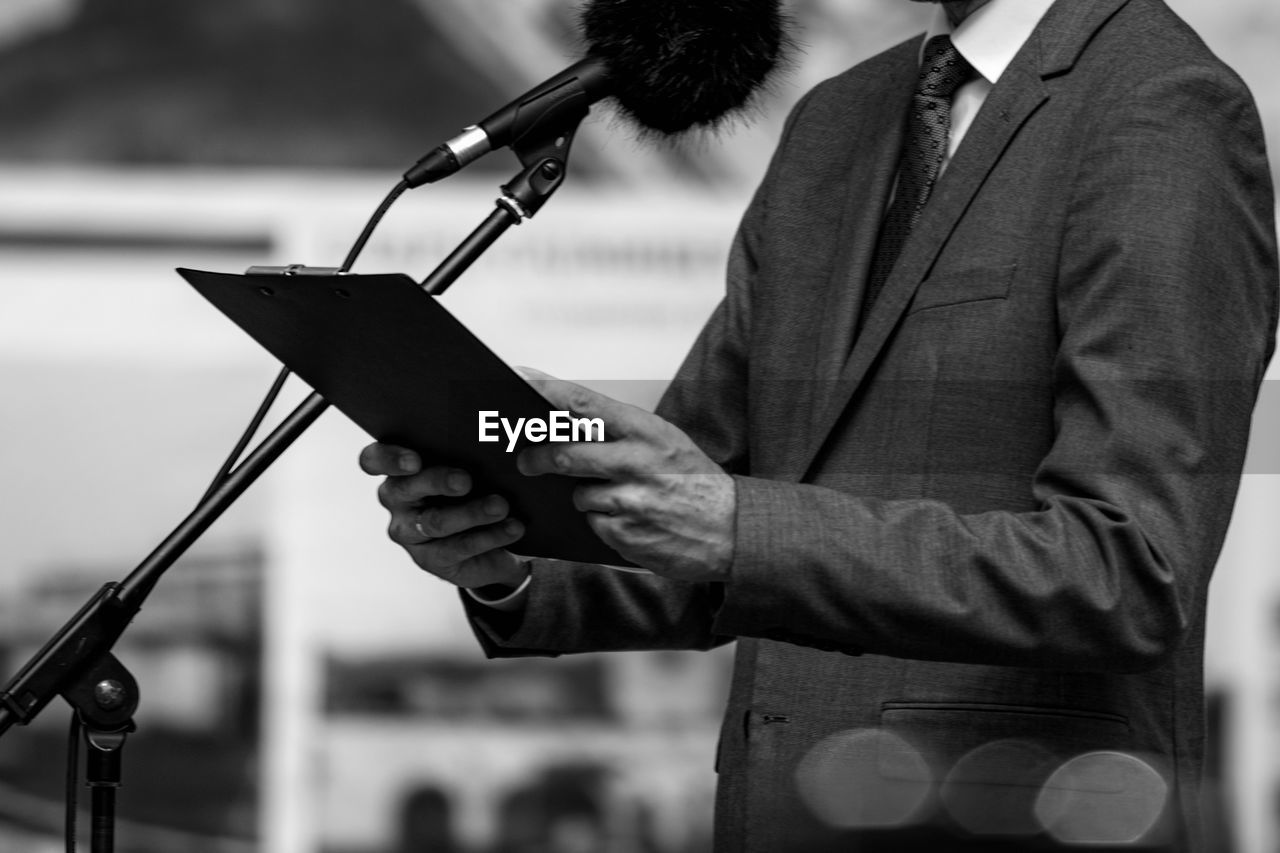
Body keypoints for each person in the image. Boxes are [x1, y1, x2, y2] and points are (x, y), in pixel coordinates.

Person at [360, 0, 1278, 849]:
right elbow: (703, 505)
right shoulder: (842, 114)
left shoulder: (1168, 108)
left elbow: (1129, 573)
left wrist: (737, 527)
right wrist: (508, 559)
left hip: (1008, 816)